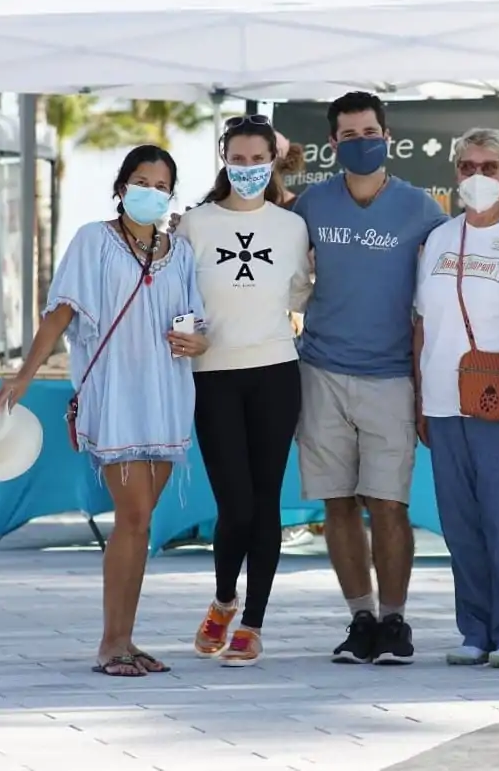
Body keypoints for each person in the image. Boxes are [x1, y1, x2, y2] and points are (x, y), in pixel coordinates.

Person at [0, 144, 209, 678]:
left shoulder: (180, 253)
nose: (150, 192)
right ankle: (112, 643)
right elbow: (60, 314)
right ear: (120, 186)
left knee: (141, 523)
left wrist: (197, 343)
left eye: (160, 185)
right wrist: (22, 374)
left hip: (167, 396)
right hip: (116, 396)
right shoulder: (93, 241)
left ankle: (126, 638)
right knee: (131, 519)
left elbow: (196, 323)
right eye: (140, 180)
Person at [293, 90, 447, 665]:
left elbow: (460, 267)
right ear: (333, 144)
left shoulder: (421, 209)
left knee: (388, 504)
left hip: (390, 377)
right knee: (336, 503)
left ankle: (395, 621)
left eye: (370, 133)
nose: (362, 144)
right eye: (350, 136)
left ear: (388, 136)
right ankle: (360, 616)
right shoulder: (311, 205)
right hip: (321, 372)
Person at [413, 129, 499, 669]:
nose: (478, 176)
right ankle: (475, 627)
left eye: (490, 167)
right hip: (445, 404)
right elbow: (422, 324)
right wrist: (421, 396)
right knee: (461, 524)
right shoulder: (441, 238)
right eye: (468, 166)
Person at [175, 115, 312, 668]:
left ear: (273, 162)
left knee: (266, 502)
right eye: (241, 158)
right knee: (234, 503)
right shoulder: (195, 224)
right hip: (213, 377)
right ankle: (223, 597)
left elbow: (301, 295)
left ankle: (252, 622)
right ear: (224, 157)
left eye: (260, 159)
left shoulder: (291, 226)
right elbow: (175, 295)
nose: (250, 168)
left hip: (276, 371)